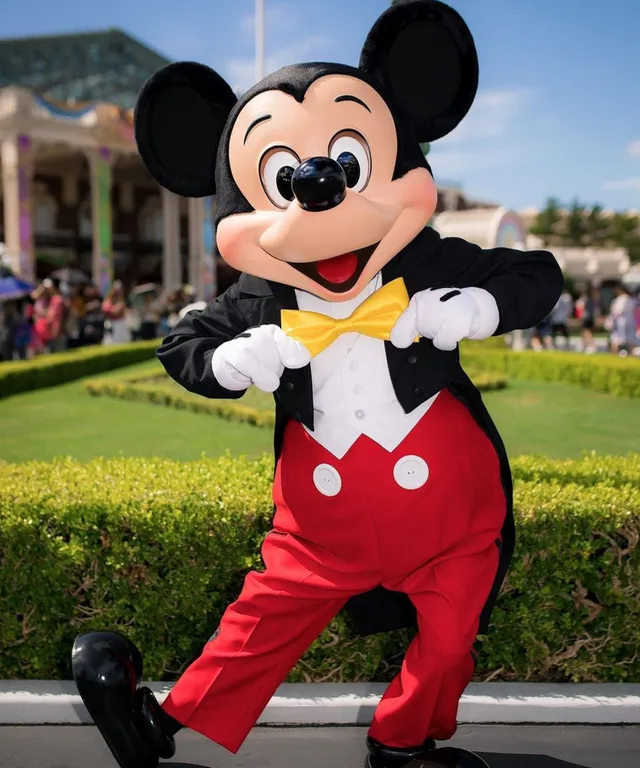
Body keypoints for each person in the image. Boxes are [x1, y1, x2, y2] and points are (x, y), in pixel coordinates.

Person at [70, 4, 565, 768]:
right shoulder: (259, 298)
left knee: (451, 638)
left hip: (456, 525)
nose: (321, 193)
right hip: (320, 527)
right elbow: (182, 343)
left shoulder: (429, 263)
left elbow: (536, 274)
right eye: (281, 179)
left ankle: (402, 742)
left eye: (348, 163)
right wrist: (232, 362)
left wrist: (477, 305)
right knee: (258, 625)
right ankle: (154, 726)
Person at [607, 284, 637, 356]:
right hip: (630, 322)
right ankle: (630, 355)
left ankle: (615, 355)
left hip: (620, 323)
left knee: (616, 339)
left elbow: (617, 312)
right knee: (630, 340)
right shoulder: (631, 299)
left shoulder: (620, 299)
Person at [575, 284, 598, 353]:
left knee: (586, 332)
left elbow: (579, 308)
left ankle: (591, 346)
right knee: (585, 332)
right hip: (589, 317)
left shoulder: (585, 299)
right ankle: (584, 345)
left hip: (586, 318)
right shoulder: (593, 299)